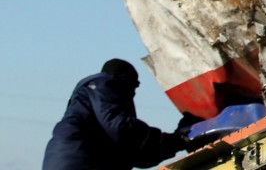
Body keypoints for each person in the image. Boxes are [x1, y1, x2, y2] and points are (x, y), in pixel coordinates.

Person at [42, 58, 188, 170]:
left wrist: (174, 144)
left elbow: (136, 155)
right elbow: (120, 126)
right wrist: (165, 138)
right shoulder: (103, 85)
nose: (134, 93)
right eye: (135, 85)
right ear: (124, 80)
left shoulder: (93, 113)